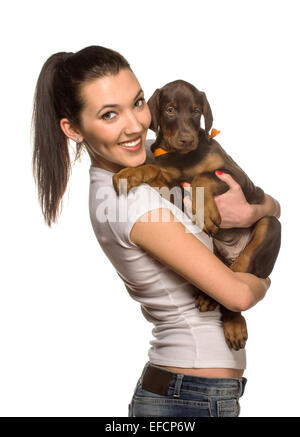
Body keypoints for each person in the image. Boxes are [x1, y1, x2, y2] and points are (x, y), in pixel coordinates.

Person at [32, 45, 280, 417]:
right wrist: (264, 281)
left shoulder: (150, 154)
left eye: (137, 102)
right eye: (109, 115)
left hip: (191, 391)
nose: (134, 125)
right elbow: (238, 297)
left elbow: (267, 203)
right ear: (73, 129)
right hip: (187, 396)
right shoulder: (127, 199)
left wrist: (253, 211)